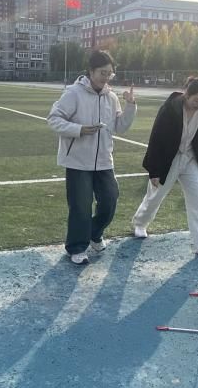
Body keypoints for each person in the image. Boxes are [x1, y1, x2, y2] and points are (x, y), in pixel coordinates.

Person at [47, 50, 138, 265]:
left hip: (104, 160)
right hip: (78, 160)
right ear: (91, 71)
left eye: (109, 74)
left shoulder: (111, 97)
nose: (105, 78)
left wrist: (131, 105)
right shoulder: (73, 93)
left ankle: (94, 233)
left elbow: (120, 127)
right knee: (81, 205)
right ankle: (77, 247)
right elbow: (54, 119)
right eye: (102, 73)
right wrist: (79, 129)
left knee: (110, 200)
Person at [132, 76, 198, 259]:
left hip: (190, 159)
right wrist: (154, 171)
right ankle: (139, 223)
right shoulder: (170, 109)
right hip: (168, 159)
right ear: (187, 94)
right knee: (155, 195)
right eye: (196, 100)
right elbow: (156, 138)